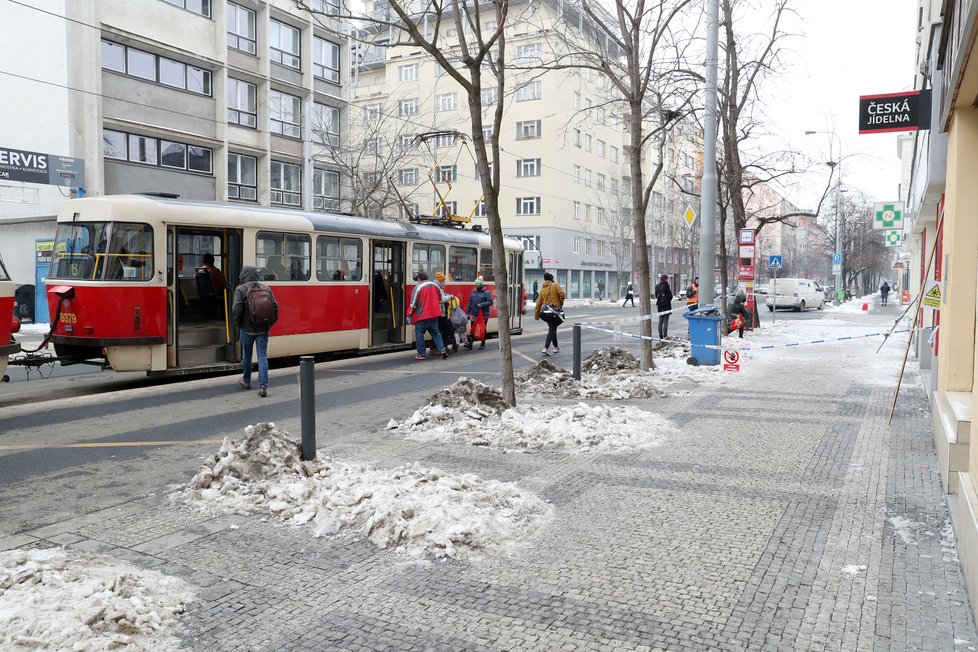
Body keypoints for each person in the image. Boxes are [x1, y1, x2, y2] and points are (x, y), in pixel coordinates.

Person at [232, 266, 279, 397]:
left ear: (243, 275)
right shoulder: (266, 288)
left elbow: (236, 310)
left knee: (247, 355)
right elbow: (276, 307)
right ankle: (263, 386)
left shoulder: (240, 289)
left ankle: (246, 381)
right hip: (263, 328)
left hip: (247, 329)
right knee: (262, 356)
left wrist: (239, 324)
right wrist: (270, 324)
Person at [408, 270, 448, 360]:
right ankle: (443, 350)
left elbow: (413, 303)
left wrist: (409, 313)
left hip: (421, 315)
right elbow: (440, 299)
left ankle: (422, 354)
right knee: (436, 333)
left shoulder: (418, 287)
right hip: (434, 315)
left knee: (419, 334)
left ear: (418, 279)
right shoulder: (435, 286)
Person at [534, 272, 566, 356]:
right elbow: (562, 294)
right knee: (552, 329)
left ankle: (556, 347)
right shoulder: (555, 285)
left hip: (545, 312)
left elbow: (538, 303)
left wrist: (537, 315)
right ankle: (546, 348)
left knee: (552, 328)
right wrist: (561, 302)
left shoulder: (542, 289)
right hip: (554, 312)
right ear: (551, 278)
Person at [464, 278, 494, 350]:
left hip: (483, 314)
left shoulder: (486, 292)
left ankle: (482, 343)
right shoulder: (473, 291)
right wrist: (467, 313)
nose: (476, 285)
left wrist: (482, 304)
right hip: (474, 313)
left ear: (481, 284)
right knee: (473, 329)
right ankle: (470, 344)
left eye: (477, 284)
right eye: (475, 284)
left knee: (482, 329)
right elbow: (470, 303)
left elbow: (490, 302)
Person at [434, 272, 458, 353]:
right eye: (443, 281)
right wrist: (450, 296)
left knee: (442, 330)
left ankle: (443, 346)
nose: (444, 282)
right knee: (442, 330)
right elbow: (442, 299)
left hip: (441, 312)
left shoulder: (438, 287)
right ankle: (438, 347)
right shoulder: (437, 287)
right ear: (441, 281)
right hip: (440, 313)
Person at [653, 274, 673, 339]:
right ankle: (665, 335)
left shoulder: (657, 286)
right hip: (666, 306)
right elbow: (670, 296)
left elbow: (656, 296)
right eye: (667, 279)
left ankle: (660, 336)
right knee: (665, 321)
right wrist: (667, 301)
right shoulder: (666, 286)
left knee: (660, 321)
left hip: (659, 306)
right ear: (666, 279)